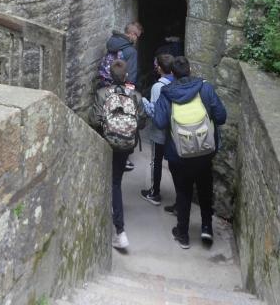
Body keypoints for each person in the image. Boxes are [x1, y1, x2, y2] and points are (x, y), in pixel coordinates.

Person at [153, 56, 226, 250]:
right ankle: (206, 228)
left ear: (172, 74)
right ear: (190, 69)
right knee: (204, 190)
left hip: (178, 154)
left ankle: (183, 234)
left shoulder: (166, 93)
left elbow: (159, 122)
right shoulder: (205, 88)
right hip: (204, 152)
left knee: (183, 193)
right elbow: (221, 116)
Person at [90, 59, 146, 250]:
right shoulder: (135, 95)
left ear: (109, 76)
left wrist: (109, 128)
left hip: (105, 142)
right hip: (125, 146)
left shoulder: (102, 94)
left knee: (106, 178)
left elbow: (94, 120)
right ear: (126, 76)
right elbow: (142, 122)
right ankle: (119, 231)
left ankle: (117, 226)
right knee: (115, 182)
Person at [104, 22, 143, 171]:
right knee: (124, 121)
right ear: (132, 34)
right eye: (138, 36)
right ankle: (123, 158)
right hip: (122, 90)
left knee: (109, 119)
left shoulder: (112, 42)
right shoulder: (131, 51)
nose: (138, 39)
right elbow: (131, 76)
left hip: (107, 87)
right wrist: (131, 93)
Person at [141, 53, 174, 205]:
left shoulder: (157, 87)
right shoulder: (177, 82)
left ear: (159, 68)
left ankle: (154, 192)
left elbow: (153, 111)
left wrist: (142, 101)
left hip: (159, 131)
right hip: (173, 130)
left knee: (156, 161)